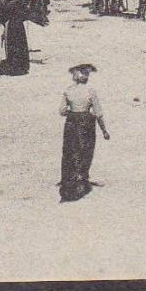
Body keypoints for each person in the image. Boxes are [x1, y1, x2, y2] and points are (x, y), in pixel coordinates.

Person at [59, 64, 109, 202]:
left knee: (69, 150)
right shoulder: (90, 91)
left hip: (71, 122)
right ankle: (82, 179)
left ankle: (68, 180)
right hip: (86, 122)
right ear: (85, 77)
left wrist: (72, 114)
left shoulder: (68, 91)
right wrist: (104, 130)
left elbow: (62, 111)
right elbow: (98, 113)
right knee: (86, 150)